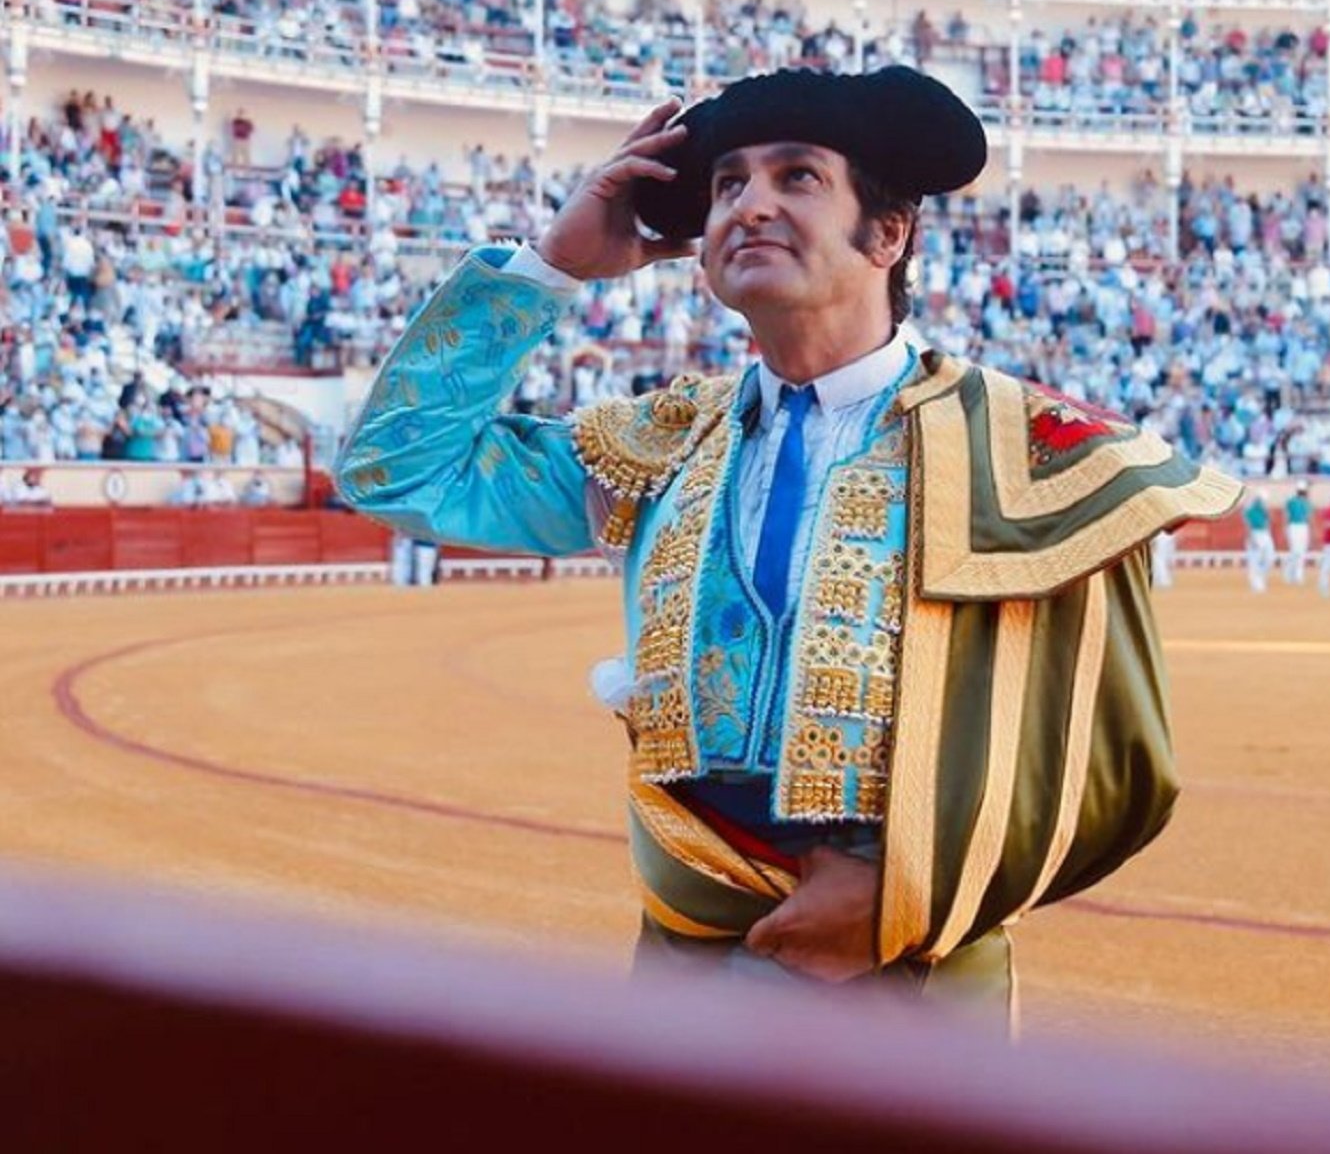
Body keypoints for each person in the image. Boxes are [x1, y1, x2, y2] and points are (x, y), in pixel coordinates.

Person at [335, 69, 1240, 1011]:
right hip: (685, 965)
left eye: (797, 177)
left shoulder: (1028, 454)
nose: (750, 205)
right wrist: (549, 270)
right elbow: (398, 470)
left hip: (911, 979)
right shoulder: (657, 445)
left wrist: (904, 899)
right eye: (728, 184)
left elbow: (1117, 769)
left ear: (887, 234)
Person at [1243, 489, 1275, 593]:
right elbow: (1248, 525)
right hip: (1255, 534)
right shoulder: (1250, 510)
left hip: (1265, 534)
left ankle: (1259, 578)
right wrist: (1251, 537)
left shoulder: (1264, 511)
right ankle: (1256, 584)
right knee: (1254, 560)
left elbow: (1268, 524)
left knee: (1269, 558)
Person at [1282, 480, 1312, 585]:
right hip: (1295, 526)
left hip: (1300, 527)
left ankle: (1298, 575)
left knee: (1301, 552)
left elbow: (1308, 517)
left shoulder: (1302, 502)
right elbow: (1287, 515)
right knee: (1296, 551)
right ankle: (1289, 574)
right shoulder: (1293, 501)